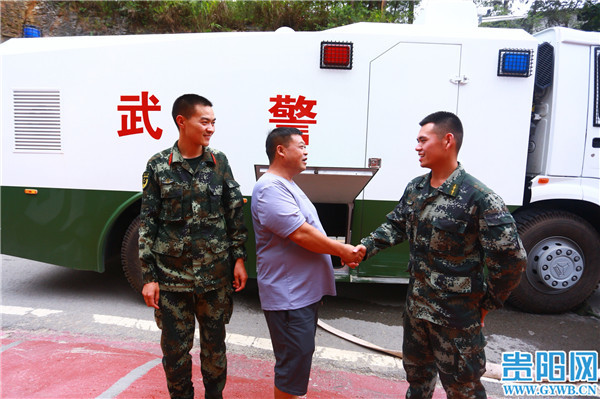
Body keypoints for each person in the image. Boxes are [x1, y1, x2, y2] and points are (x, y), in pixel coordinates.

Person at [355, 111, 527, 398]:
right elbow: (396, 224)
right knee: (417, 383)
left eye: (423, 140)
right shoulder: (416, 188)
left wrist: (486, 304)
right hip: (416, 312)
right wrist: (365, 248)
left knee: (464, 389)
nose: (417, 147)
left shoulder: (479, 197)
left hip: (456, 321)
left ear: (448, 140)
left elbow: (511, 260)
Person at [139, 94, 248, 399]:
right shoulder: (159, 166)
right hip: (172, 280)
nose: (211, 128)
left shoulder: (219, 162)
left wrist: (239, 259)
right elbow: (148, 223)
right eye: (205, 121)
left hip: (215, 278)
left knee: (215, 351)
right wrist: (149, 277)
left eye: (214, 122)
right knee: (175, 355)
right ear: (182, 122)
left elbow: (233, 213)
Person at [251, 127, 363, 399]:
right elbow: (300, 232)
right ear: (281, 150)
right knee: (293, 362)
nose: (305, 151)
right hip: (289, 295)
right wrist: (343, 251)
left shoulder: (287, 184)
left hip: (300, 294)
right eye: (300, 146)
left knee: (299, 358)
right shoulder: (269, 188)